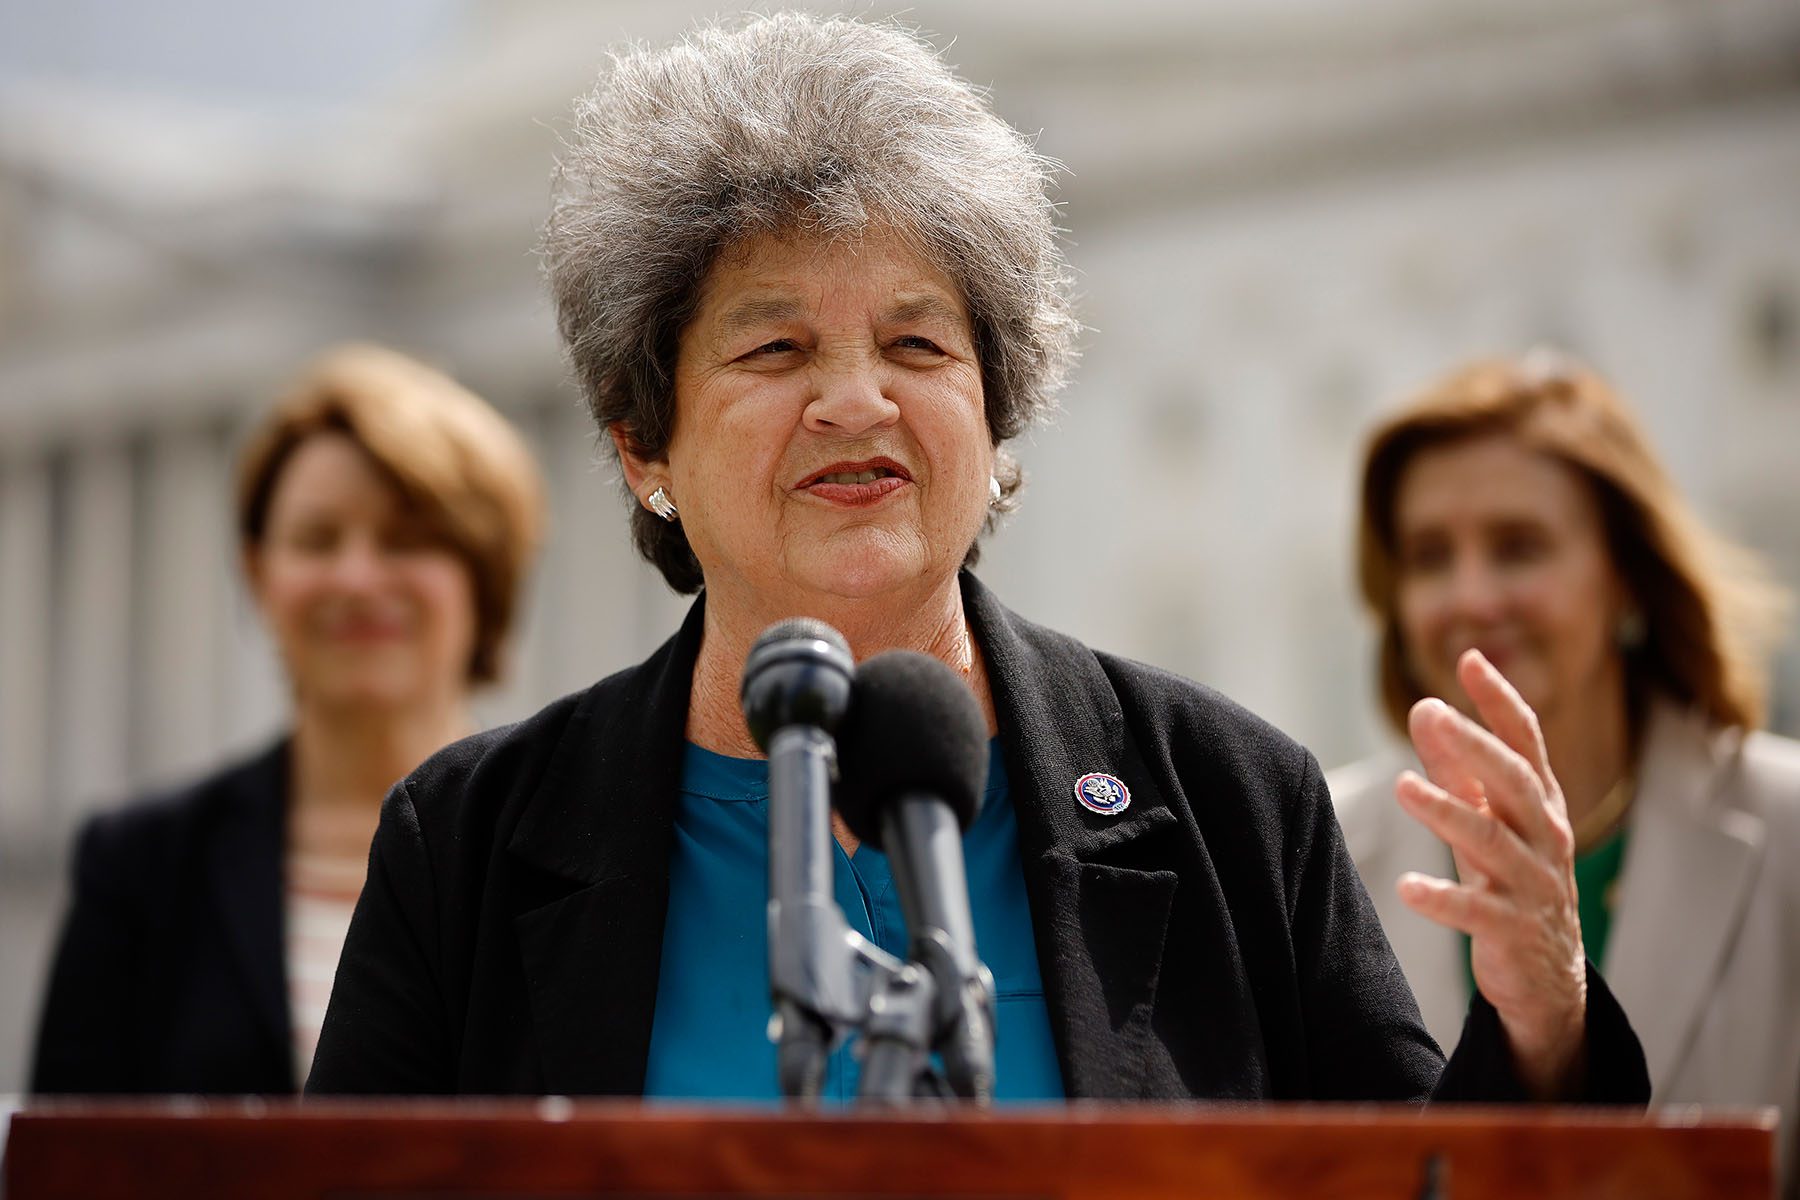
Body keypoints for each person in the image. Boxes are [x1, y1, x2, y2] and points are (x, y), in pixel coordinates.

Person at [307, 14, 1648, 1105]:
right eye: (775, 349)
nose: (854, 401)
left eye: (918, 346)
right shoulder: (469, 848)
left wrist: (1542, 1035)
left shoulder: (1235, 803)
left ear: (998, 423)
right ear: (640, 443)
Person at [1330, 351, 1798, 1188]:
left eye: (1518, 547)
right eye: (1430, 555)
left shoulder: (1789, 826)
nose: (1470, 594)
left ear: (1628, 579)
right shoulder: (1320, 843)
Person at [31, 345, 546, 1094]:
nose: (358, 577)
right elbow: (67, 1161)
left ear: (486, 574)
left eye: (406, 539)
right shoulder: (141, 866)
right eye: (317, 539)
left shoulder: (573, 845)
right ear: (257, 571)